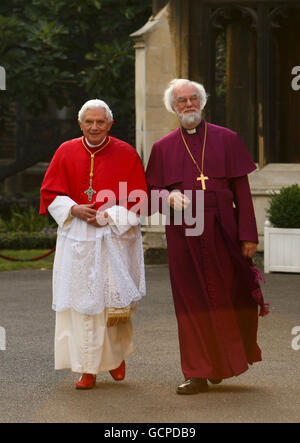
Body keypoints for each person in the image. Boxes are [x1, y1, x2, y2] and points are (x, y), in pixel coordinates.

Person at [146, 79, 268, 395]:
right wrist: (167, 199)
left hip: (224, 228)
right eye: (181, 101)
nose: (188, 105)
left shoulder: (228, 139)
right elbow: (150, 192)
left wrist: (248, 236)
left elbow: (242, 191)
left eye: (193, 99)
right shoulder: (162, 147)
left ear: (202, 102)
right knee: (190, 301)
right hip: (184, 231)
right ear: (173, 108)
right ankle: (198, 371)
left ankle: (222, 362)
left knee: (228, 295)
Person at [40, 99, 148, 389]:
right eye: (89, 121)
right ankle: (87, 368)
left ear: (110, 124)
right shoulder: (65, 151)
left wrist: (108, 215)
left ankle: (114, 358)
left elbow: (139, 198)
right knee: (80, 305)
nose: (95, 127)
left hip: (112, 238)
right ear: (80, 124)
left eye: (101, 122)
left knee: (111, 305)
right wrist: (74, 209)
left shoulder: (126, 153)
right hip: (77, 239)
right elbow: (50, 192)